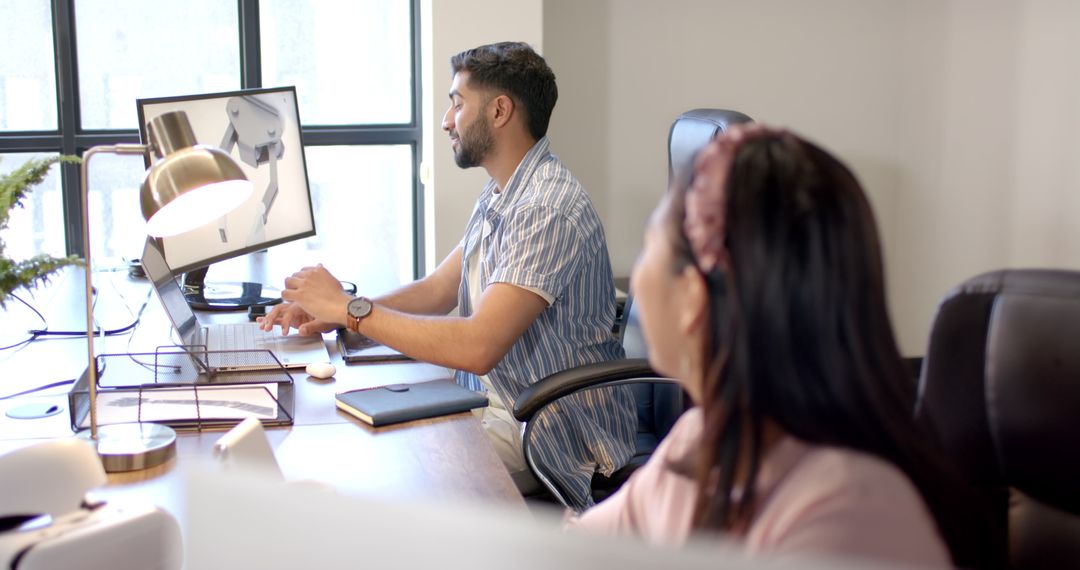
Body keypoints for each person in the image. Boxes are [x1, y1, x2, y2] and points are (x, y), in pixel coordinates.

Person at [569, 124, 989, 568]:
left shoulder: (850, 513)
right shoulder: (700, 442)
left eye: (647, 246)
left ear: (692, 295)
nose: (635, 277)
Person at [259, 42, 635, 507]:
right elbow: (438, 290)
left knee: (389, 487)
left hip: (553, 430)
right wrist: (336, 317)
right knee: (362, 445)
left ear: (499, 111)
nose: (445, 120)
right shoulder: (504, 193)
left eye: (458, 103)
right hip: (498, 406)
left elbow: (478, 347)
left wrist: (351, 310)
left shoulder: (546, 209)